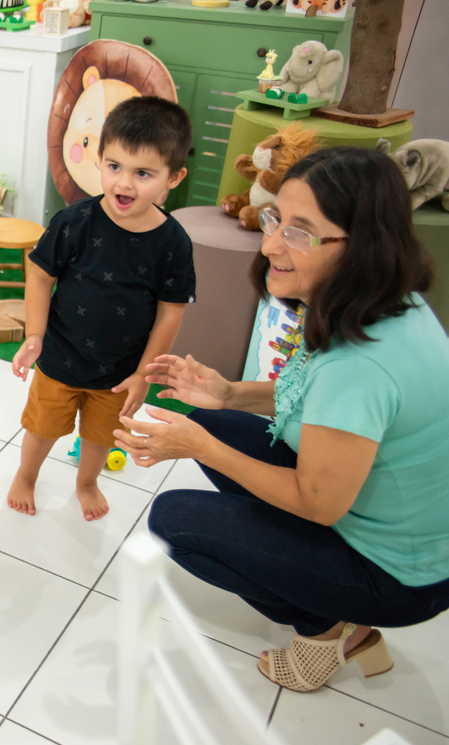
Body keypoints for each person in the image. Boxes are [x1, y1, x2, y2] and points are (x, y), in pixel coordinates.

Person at [115, 146, 449, 693]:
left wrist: (199, 446)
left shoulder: (362, 363)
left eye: (300, 231)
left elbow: (318, 502)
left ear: (362, 246)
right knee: (220, 423)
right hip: (378, 511)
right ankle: (323, 600)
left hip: (403, 575)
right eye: (275, 219)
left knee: (176, 522)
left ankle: (331, 631)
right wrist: (229, 393)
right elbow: (318, 399)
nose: (270, 243)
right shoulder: (385, 303)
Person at [8, 96, 196, 520]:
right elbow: (40, 275)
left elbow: (171, 312)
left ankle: (87, 481)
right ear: (99, 159)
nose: (124, 184)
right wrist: (35, 335)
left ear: (174, 176)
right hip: (60, 356)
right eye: (114, 167)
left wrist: (143, 375)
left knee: (100, 436)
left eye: (143, 173)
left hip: (120, 371)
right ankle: (26, 474)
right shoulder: (75, 220)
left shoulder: (174, 243)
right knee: (41, 427)